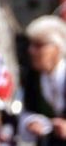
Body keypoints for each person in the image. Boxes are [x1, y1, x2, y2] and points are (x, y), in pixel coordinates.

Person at [19, 15, 66, 145]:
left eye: (39, 45)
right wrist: (31, 121)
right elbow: (28, 110)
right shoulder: (33, 77)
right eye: (31, 45)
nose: (31, 51)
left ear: (56, 48)